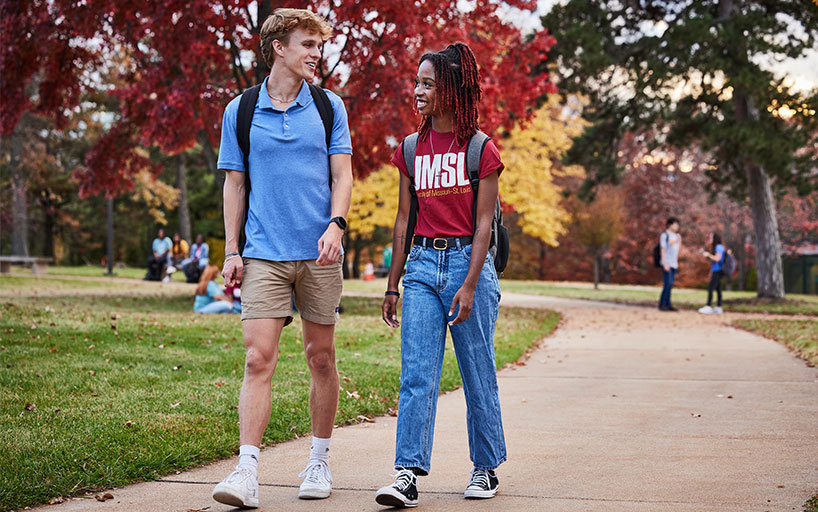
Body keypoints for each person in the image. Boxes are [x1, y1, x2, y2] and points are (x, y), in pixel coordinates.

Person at [211, 8, 353, 509]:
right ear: (280, 48)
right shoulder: (241, 110)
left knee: (320, 357)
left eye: (319, 45)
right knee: (257, 358)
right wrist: (232, 249)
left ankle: (318, 459)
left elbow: (342, 176)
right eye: (308, 45)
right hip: (264, 252)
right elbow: (235, 182)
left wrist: (336, 224)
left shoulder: (330, 107)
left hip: (319, 253)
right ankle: (247, 470)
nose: (317, 54)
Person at [376, 42, 505, 508]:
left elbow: (484, 226)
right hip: (422, 269)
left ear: (451, 89)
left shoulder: (479, 149)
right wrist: (393, 283)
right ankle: (407, 473)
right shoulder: (411, 148)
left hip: (468, 266)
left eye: (428, 84)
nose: (418, 91)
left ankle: (486, 468)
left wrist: (470, 285)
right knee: (416, 374)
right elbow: (402, 220)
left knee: (477, 372)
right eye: (417, 82)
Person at [698, 233, 726, 314]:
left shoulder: (718, 247)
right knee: (718, 289)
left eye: (711, 237)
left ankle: (708, 306)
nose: (709, 239)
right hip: (716, 270)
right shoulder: (718, 247)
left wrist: (708, 255)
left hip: (718, 271)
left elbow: (717, 259)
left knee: (711, 288)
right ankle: (719, 307)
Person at [658, 217, 681, 311]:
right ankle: (662, 304)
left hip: (673, 263)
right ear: (670, 224)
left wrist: (680, 240)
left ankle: (668, 304)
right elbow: (662, 250)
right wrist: (665, 263)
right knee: (668, 283)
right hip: (666, 263)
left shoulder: (676, 236)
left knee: (670, 284)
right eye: (676, 224)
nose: (677, 226)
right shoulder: (664, 235)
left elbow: (677, 250)